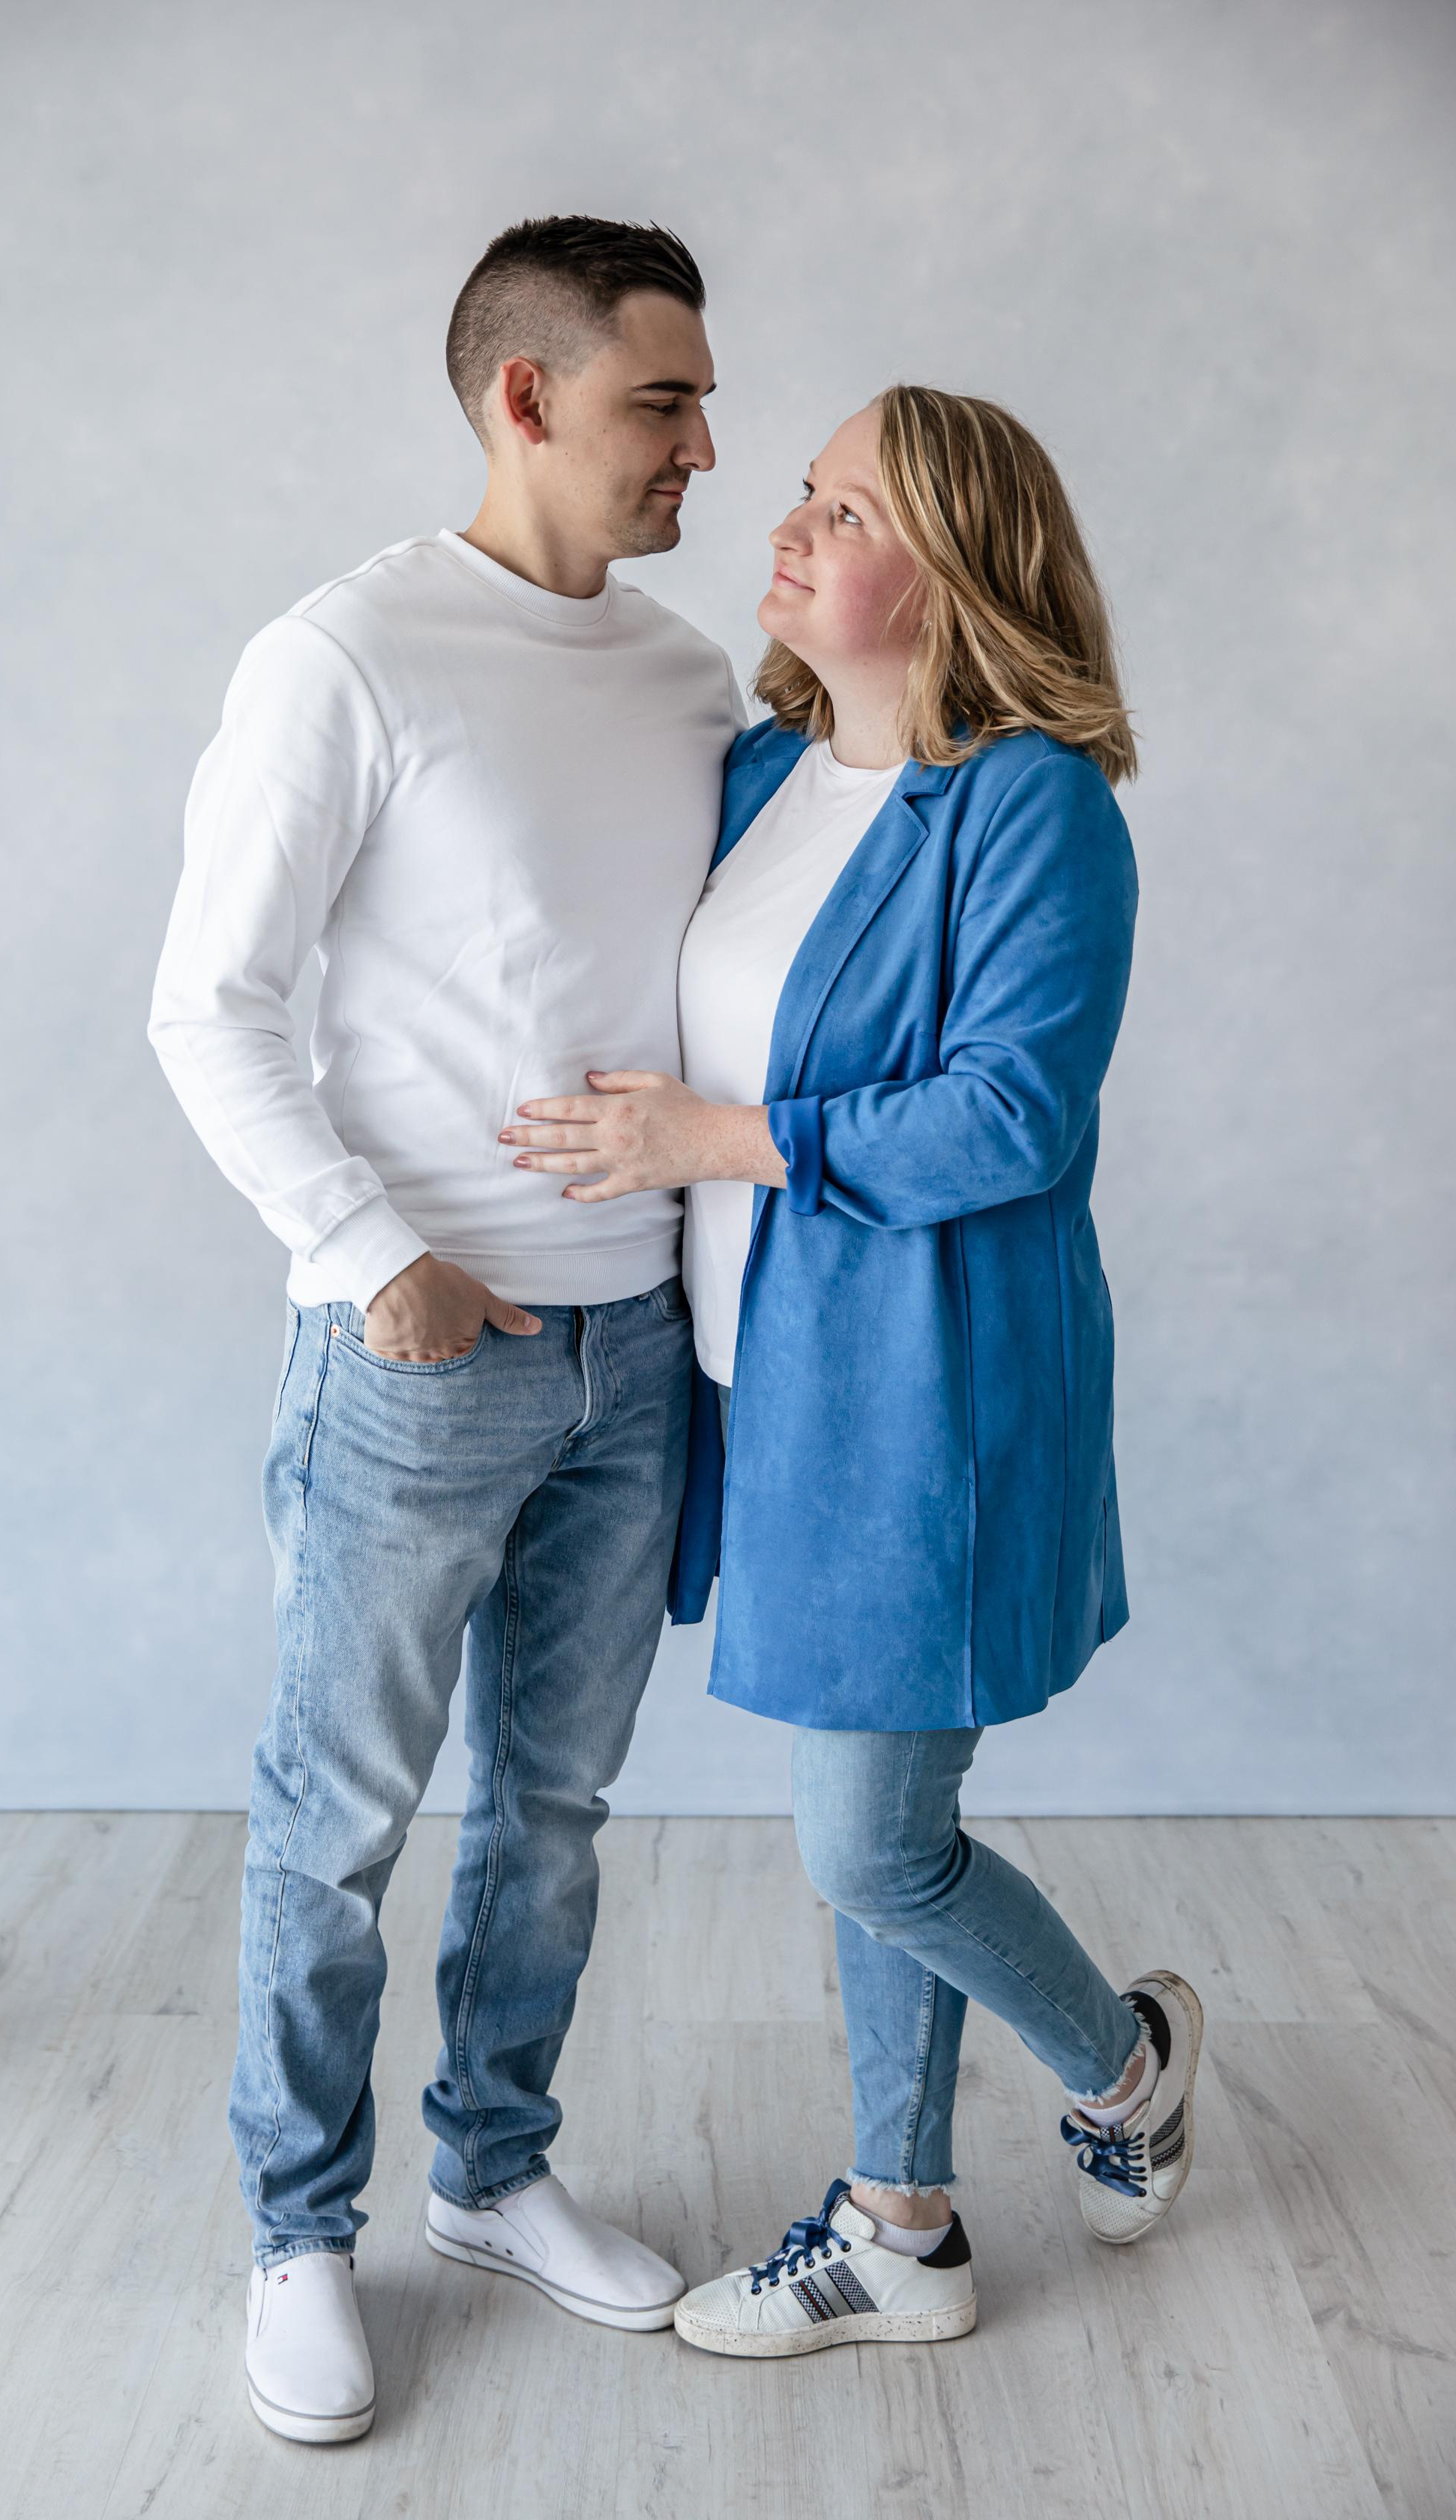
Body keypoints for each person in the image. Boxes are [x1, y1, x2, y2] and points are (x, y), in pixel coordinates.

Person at [502, 384, 1201, 2360]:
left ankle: (1126, 2064)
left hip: (931, 1397)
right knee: (868, 1815)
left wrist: (728, 1145)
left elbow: (1014, 1118)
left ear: (962, 570)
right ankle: (903, 2222)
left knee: (869, 1839)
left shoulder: (1034, 801)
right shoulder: (766, 773)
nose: (790, 532)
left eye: (850, 509)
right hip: (770, 1380)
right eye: (800, 496)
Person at [149, 216, 744, 2443]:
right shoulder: (347, 655)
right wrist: (364, 1249)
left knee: (558, 1810)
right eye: (661, 399)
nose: (706, 443)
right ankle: (303, 2235)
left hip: (634, 1358)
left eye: (699, 398)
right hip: (415, 1358)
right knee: (335, 1825)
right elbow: (209, 1005)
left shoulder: (692, 680)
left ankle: (494, 2177)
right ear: (526, 399)